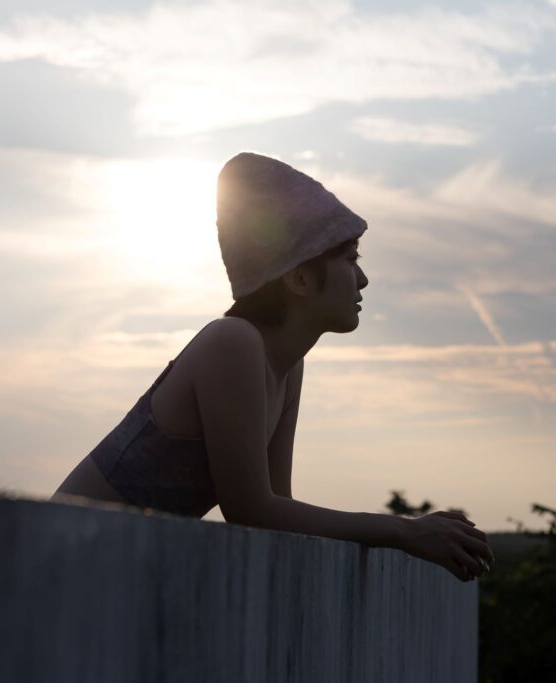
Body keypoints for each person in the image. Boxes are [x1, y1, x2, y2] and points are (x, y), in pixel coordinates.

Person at [53, 152, 493, 582]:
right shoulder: (233, 342)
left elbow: (277, 506)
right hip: (58, 559)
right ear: (299, 279)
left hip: (104, 569)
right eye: (350, 259)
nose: (362, 280)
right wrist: (404, 531)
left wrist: (411, 532)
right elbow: (251, 511)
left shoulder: (285, 364)